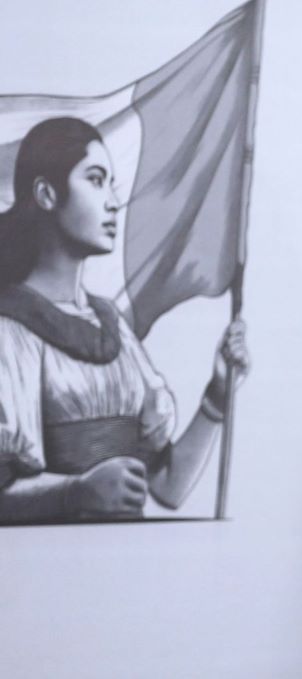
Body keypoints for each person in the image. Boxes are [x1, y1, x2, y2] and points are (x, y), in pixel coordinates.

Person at [0, 116, 250, 522]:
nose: (113, 201)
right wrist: (75, 492)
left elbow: (168, 487)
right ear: (46, 194)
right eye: (96, 180)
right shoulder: (10, 331)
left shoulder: (111, 325)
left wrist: (217, 395)